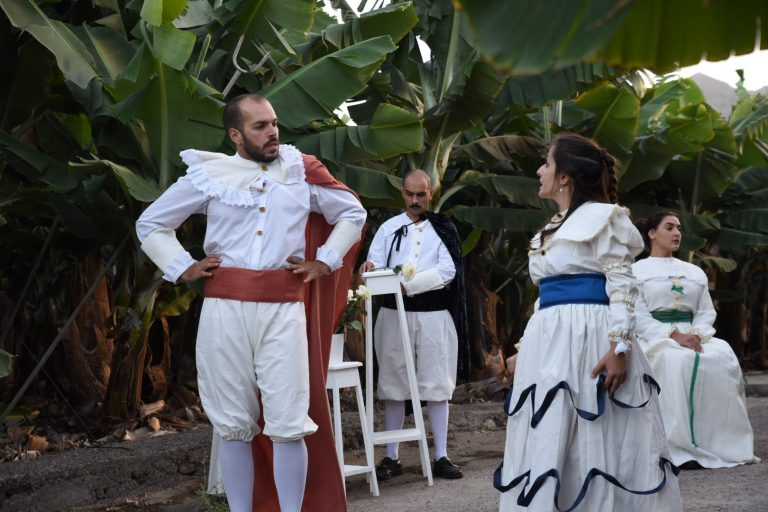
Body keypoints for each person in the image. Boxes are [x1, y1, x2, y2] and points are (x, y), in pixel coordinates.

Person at [135, 94, 366, 512]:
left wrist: (326, 261)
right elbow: (151, 223)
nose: (272, 131)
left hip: (283, 310)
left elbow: (352, 212)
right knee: (233, 424)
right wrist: (183, 267)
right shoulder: (211, 175)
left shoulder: (300, 171)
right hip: (224, 310)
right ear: (235, 134)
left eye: (274, 123)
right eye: (260, 126)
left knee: (289, 423)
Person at [496, 133, 682, 511]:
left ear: (565, 176)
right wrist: (522, 349)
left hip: (590, 337)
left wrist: (619, 347)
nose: (539, 170)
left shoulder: (605, 218)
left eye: (546, 163)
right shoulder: (553, 225)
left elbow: (623, 288)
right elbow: (547, 295)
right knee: (550, 428)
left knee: (595, 432)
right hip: (548, 340)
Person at [359, 169, 468, 481]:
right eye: (410, 194)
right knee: (393, 382)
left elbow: (449, 270)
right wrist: (370, 268)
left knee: (436, 383)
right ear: (403, 193)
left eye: (421, 194)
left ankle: (442, 456)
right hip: (393, 315)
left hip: (434, 314)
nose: (415, 200)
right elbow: (375, 262)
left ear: (430, 193)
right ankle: (391, 457)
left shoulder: (444, 228)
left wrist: (411, 285)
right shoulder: (389, 228)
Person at [633, 212, 759, 469]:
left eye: (678, 227)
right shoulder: (635, 271)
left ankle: (718, 444)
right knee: (675, 361)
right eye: (669, 227)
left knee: (722, 358)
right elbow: (636, 314)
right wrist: (673, 336)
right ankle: (676, 445)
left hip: (694, 334)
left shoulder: (694, 272)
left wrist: (698, 334)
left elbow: (705, 312)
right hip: (654, 336)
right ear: (652, 233)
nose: (677, 232)